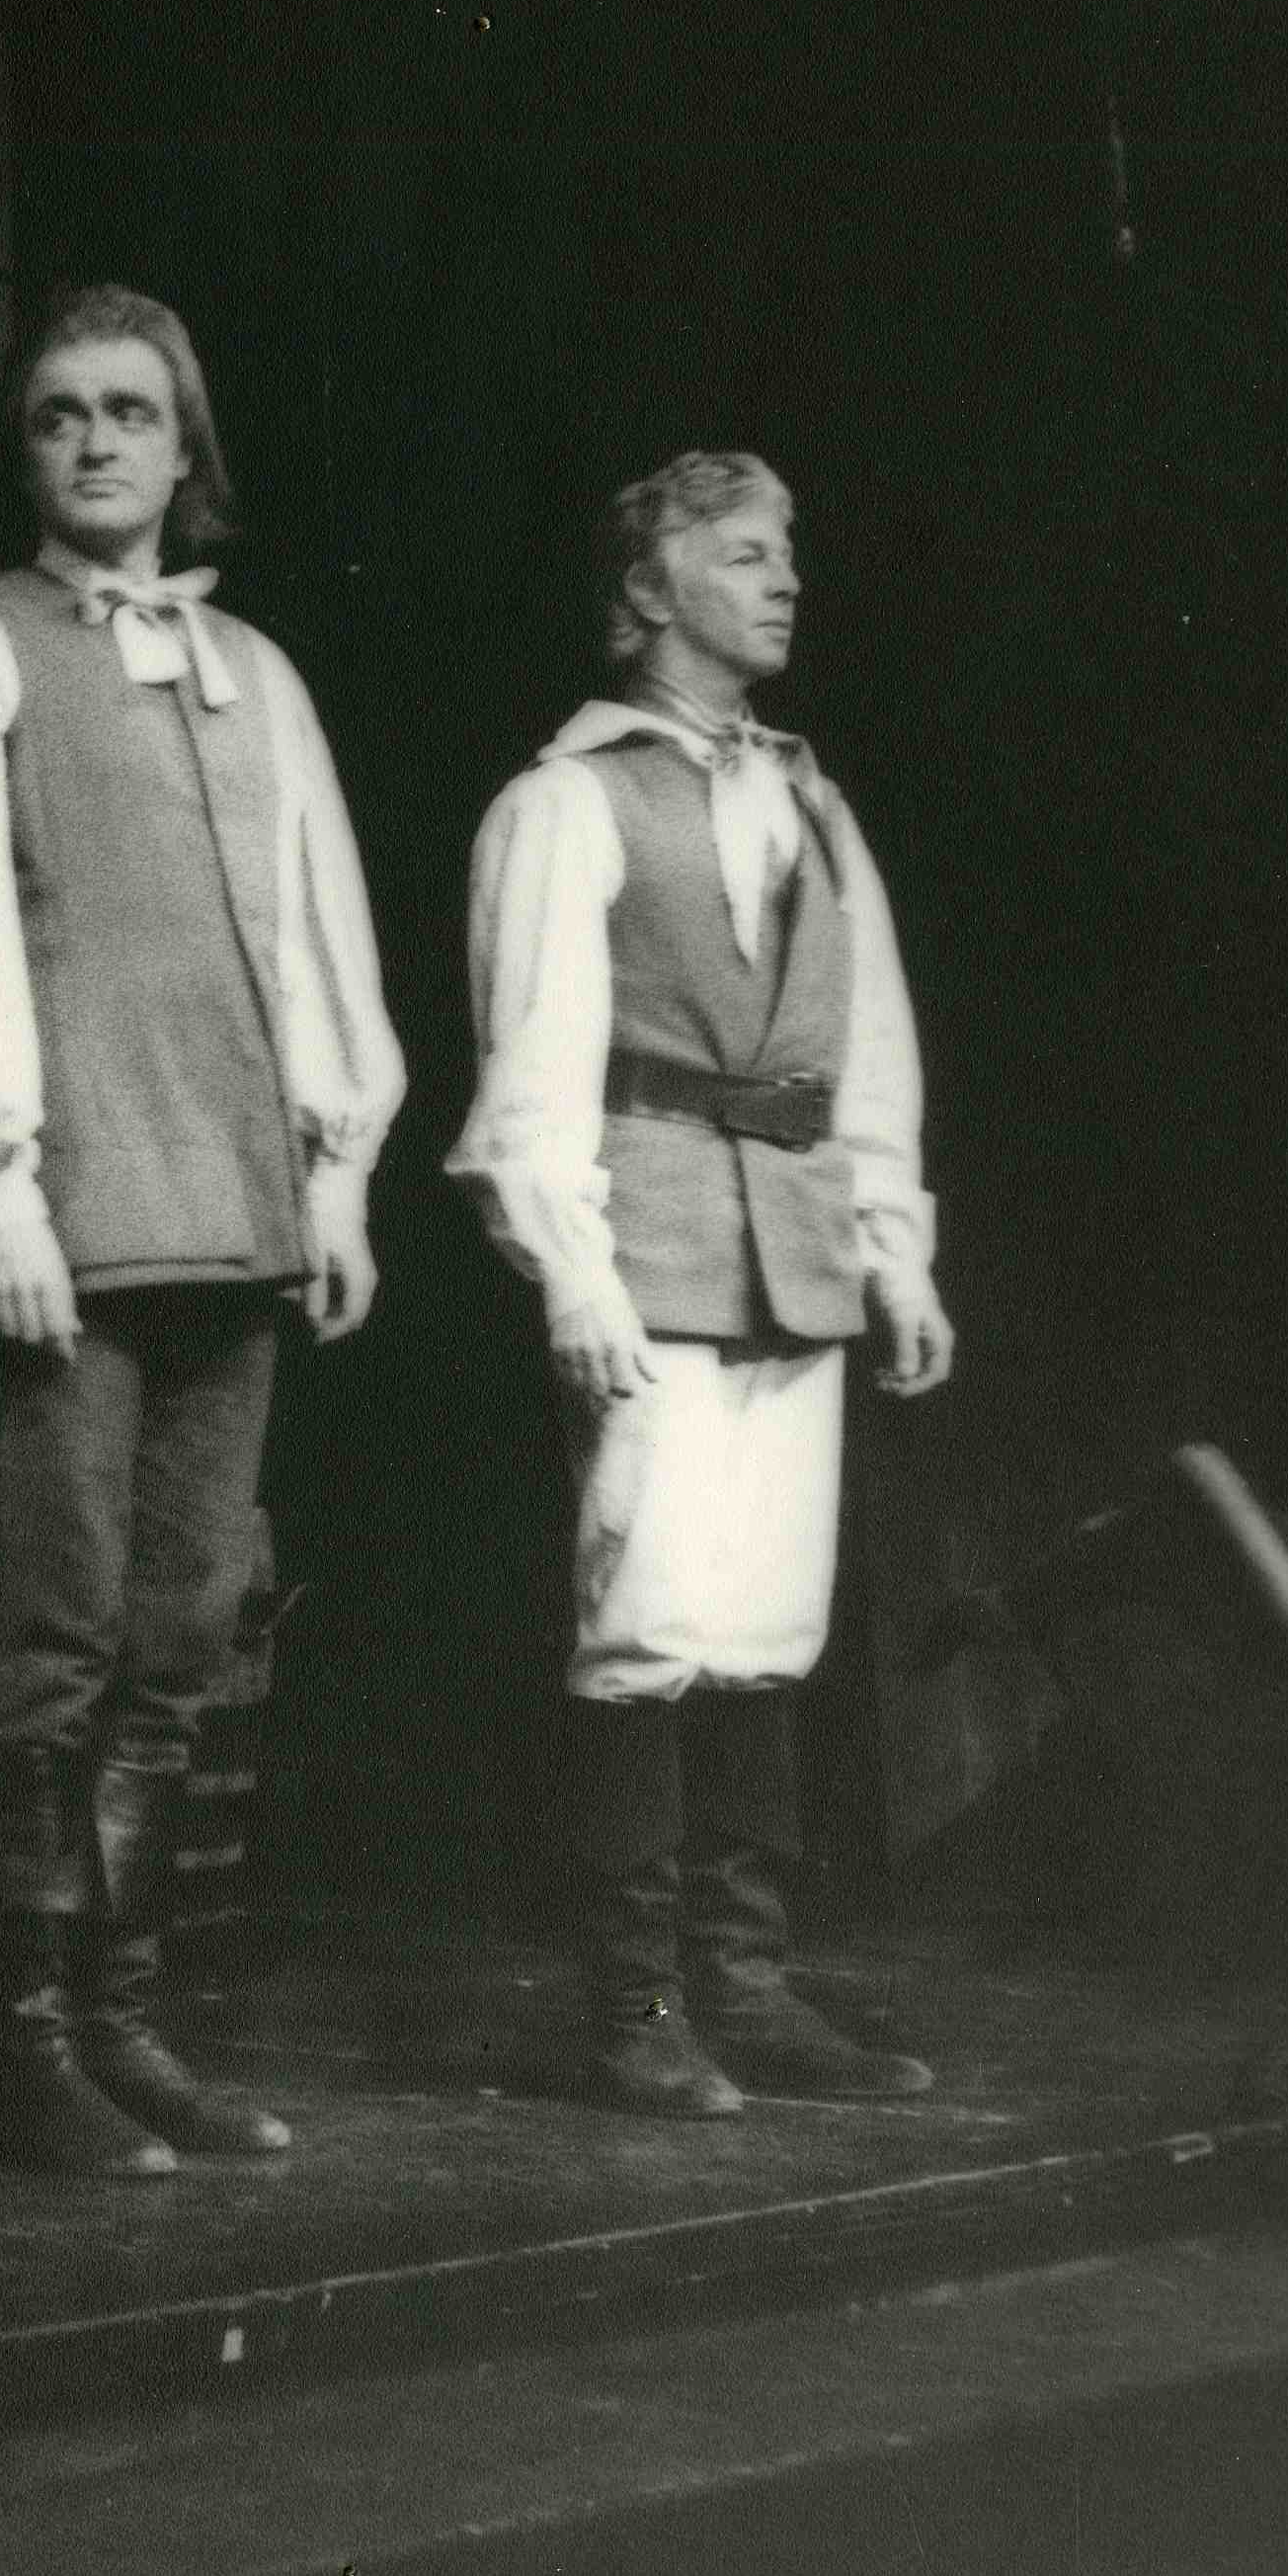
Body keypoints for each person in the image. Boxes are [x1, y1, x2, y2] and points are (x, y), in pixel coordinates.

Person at [0, 283, 403, 2180]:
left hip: (232, 1211)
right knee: (55, 1638)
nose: (94, 441)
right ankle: (17, 2046)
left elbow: (316, 928)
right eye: (57, 414)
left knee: (179, 1641)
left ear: (185, 452)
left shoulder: (254, 672)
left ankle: (123, 2021)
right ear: (22, 452)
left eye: (128, 412)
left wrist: (335, 1171)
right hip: (68, 1216)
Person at [451, 451, 952, 2118]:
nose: (784, 577)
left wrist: (891, 1249)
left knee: (763, 1623)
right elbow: (532, 1060)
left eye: (785, 550)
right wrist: (570, 1273)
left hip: (794, 1248)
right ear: (647, 589)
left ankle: (744, 1988)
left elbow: (865, 1045)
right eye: (742, 554)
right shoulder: (564, 802)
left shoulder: (813, 805)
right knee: (648, 1616)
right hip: (648, 1245)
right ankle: (636, 2006)